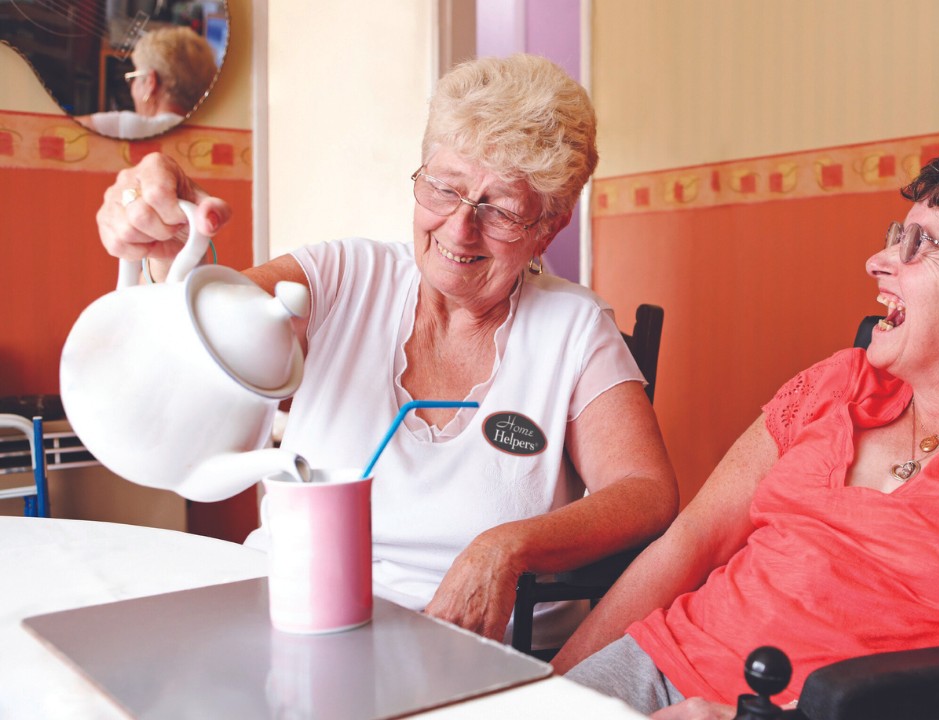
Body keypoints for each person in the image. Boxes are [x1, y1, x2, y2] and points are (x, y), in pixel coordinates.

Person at [94, 54, 679, 651]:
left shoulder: (573, 328)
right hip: (296, 619)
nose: (458, 230)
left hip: (476, 653)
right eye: (444, 189)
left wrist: (507, 546)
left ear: (548, 227)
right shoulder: (340, 275)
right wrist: (167, 247)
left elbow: (644, 489)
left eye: (500, 209)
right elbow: (207, 335)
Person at [555, 142, 939, 717]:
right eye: (896, 235)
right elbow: (692, 541)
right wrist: (551, 685)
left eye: (920, 244)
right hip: (657, 660)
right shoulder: (840, 382)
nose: (877, 262)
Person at [79, 26, 218, 139]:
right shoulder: (212, 135)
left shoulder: (130, 128)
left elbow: (62, 129)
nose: (132, 86)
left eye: (135, 77)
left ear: (151, 82)